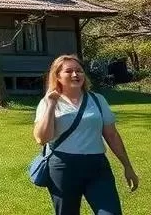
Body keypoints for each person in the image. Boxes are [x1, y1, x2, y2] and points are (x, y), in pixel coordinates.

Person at [33, 54, 139, 215]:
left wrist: (127, 166)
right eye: (69, 71)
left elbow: (112, 135)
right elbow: (42, 139)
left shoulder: (97, 100)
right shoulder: (48, 102)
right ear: (58, 76)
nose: (75, 74)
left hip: (97, 166)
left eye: (79, 71)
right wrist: (51, 105)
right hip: (63, 167)